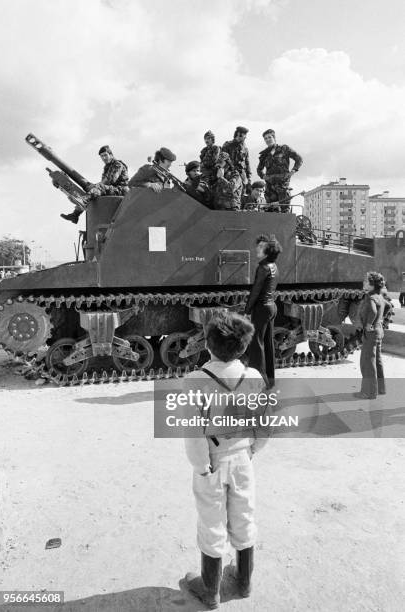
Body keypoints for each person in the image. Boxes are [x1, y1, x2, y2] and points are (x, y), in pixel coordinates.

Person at [183, 311, 269, 609]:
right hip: (243, 457)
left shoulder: (194, 381)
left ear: (208, 344)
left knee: (211, 519)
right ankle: (244, 582)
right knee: (244, 514)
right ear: (244, 347)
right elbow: (264, 424)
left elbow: (193, 433)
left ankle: (210, 589)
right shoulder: (254, 378)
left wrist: (200, 465)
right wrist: (253, 449)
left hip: (212, 462)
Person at [245, 234, 282, 389]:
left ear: (268, 250)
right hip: (272, 307)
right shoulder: (274, 266)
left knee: (256, 344)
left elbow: (255, 291)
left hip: (262, 308)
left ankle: (259, 381)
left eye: (261, 246)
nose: (257, 249)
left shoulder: (263, 267)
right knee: (267, 343)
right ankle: (270, 380)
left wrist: (247, 310)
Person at [61, 146, 129, 224]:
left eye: (105, 155)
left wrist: (95, 186)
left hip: (121, 189)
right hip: (113, 189)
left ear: (111, 154)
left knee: (96, 190)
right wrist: (94, 187)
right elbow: (104, 182)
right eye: (102, 156)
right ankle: (75, 215)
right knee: (93, 193)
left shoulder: (117, 165)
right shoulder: (107, 167)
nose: (104, 158)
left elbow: (110, 180)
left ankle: (83, 200)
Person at [354, 271, 391, 399]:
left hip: (371, 333)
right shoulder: (380, 296)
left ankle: (368, 392)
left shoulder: (370, 297)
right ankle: (380, 389)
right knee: (377, 361)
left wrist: (369, 324)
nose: (364, 282)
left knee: (367, 362)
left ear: (371, 284)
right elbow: (388, 306)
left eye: (366, 281)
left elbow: (374, 311)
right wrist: (380, 322)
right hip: (379, 331)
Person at [256, 129, 303, 213]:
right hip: (270, 186)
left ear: (274, 137)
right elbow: (259, 169)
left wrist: (293, 170)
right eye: (265, 138)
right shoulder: (264, 154)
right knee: (270, 210)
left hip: (282, 185)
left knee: (285, 210)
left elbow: (299, 159)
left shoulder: (284, 148)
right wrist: (264, 176)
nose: (267, 140)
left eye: (269, 137)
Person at [222, 126, 251, 192]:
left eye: (245, 136)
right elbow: (223, 160)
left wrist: (248, 178)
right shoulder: (227, 145)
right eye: (242, 136)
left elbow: (247, 164)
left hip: (242, 176)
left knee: (242, 195)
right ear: (237, 134)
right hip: (230, 175)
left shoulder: (245, 149)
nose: (245, 138)